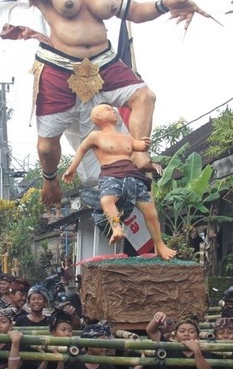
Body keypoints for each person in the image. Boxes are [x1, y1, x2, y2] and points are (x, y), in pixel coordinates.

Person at [0, 0, 214, 207]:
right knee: (46, 146)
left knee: (144, 96)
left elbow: (136, 11)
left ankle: (139, 152)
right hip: (58, 67)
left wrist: (167, 3)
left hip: (104, 62)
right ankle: (50, 180)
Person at [63, 103, 177, 260]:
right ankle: (116, 228)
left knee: (150, 211)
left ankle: (160, 244)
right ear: (99, 117)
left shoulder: (126, 137)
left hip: (133, 177)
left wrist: (145, 143)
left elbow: (139, 146)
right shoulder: (95, 136)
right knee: (106, 200)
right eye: (109, 110)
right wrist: (71, 169)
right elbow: (82, 149)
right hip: (112, 175)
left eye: (114, 109)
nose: (114, 112)